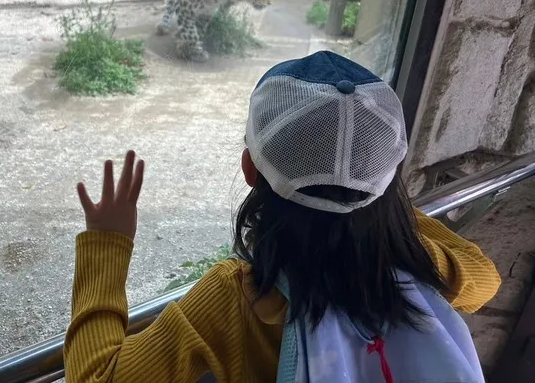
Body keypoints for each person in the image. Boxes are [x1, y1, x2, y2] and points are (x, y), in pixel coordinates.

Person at [64, 51, 501, 383]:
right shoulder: (414, 269)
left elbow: (96, 376)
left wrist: (108, 242)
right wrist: (376, 200)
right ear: (388, 181)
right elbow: (484, 278)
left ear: (249, 169)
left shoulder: (236, 299)